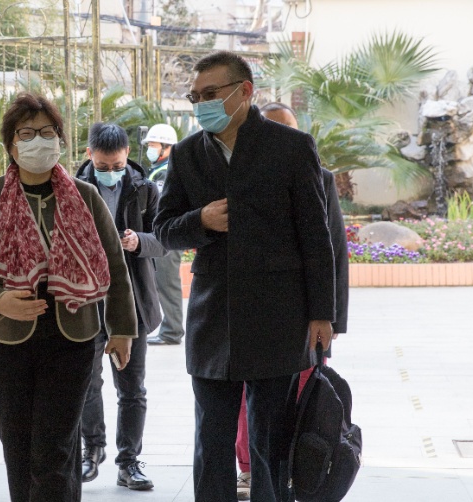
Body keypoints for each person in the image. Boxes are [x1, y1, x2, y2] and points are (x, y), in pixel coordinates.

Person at [153, 51, 336, 502]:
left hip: (278, 317)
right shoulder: (186, 154)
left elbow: (316, 237)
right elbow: (164, 229)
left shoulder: (291, 147)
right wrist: (200, 220)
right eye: (195, 97)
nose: (201, 104)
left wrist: (322, 313)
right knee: (211, 440)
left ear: (244, 91)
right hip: (212, 317)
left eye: (210, 94)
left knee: (270, 443)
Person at [0, 93, 137, 502]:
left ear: (61, 140)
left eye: (48, 132)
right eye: (27, 133)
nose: (39, 140)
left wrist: (122, 329)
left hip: (72, 336)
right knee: (18, 447)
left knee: (53, 448)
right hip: (8, 337)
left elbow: (113, 264)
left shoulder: (85, 196)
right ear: (11, 145)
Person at [233, 102, 350, 501]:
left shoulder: (322, 178)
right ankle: (250, 469)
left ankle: (301, 469)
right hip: (254, 315)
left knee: (305, 398)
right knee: (251, 400)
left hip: (305, 319)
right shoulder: (239, 177)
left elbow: (334, 252)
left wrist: (332, 318)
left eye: (290, 130)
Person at [75, 122, 165, 491]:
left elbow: (163, 238)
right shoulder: (72, 189)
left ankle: (129, 462)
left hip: (134, 301)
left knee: (131, 387)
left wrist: (138, 241)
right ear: (89, 155)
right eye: (103, 166)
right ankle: (92, 450)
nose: (110, 172)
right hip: (87, 302)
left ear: (128, 154)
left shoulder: (145, 189)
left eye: (117, 166)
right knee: (86, 382)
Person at [142, 123, 186, 346]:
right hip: (164, 235)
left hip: (167, 236)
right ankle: (170, 329)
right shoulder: (160, 168)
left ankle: (172, 331)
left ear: (166, 147)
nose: (150, 149)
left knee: (167, 283)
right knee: (162, 282)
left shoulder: (166, 171)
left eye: (153, 145)